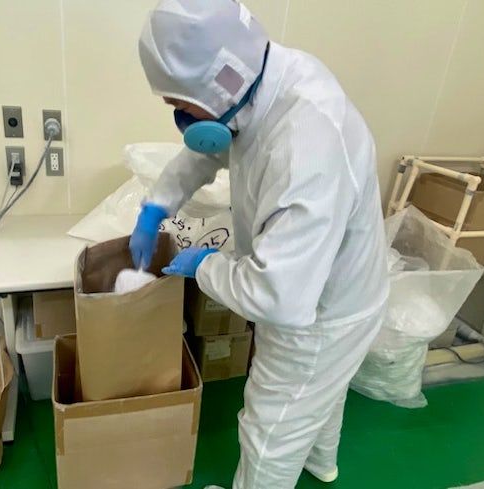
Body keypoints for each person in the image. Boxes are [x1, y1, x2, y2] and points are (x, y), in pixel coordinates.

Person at [130, 1, 389, 488]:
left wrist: (206, 266)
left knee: (271, 430)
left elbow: (279, 295)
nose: (179, 118)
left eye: (180, 106)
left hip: (320, 315)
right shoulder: (263, 80)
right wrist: (157, 205)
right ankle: (322, 462)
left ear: (218, 85)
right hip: (349, 288)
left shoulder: (304, 144)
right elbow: (207, 149)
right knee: (322, 393)